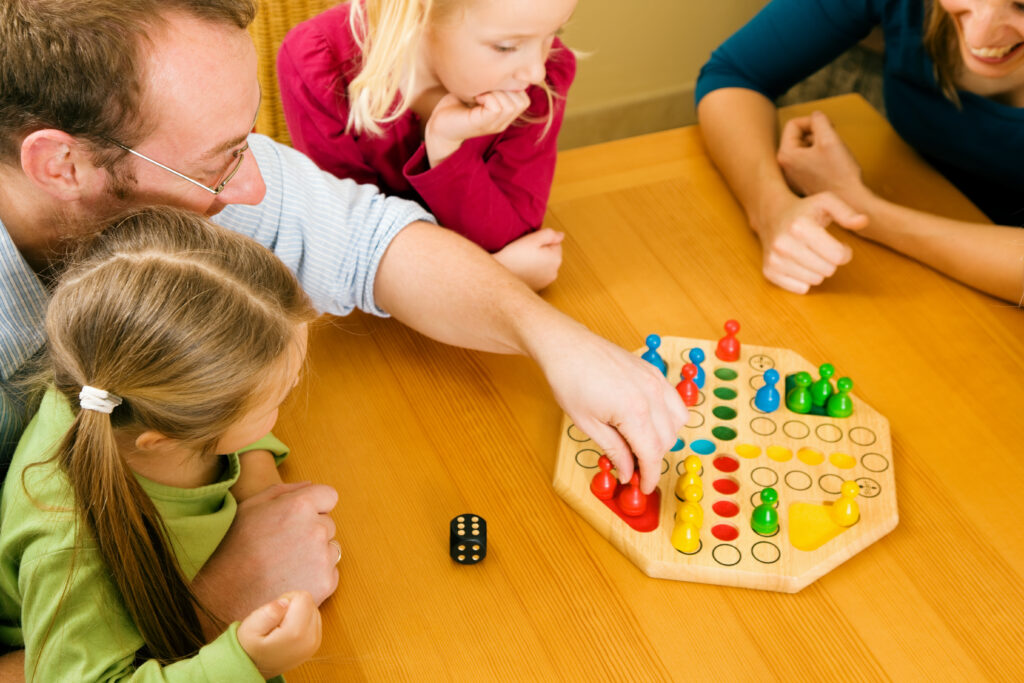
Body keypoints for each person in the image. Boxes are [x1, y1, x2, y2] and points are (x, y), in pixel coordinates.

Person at [0, 1, 686, 672]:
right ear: (61, 166)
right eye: (220, 160)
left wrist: (552, 338)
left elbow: (370, 242)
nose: (256, 185)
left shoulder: (170, 188)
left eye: (248, 139)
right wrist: (205, 607)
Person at [1, 208, 322, 681]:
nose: (292, 392)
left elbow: (229, 416)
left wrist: (257, 483)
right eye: (278, 397)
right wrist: (243, 661)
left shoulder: (113, 388)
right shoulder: (68, 552)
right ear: (170, 434)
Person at [696, 0, 1024, 304]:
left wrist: (864, 210)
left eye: (1021, 7)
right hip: (925, 208)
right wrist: (771, 210)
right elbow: (735, 74)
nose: (980, 32)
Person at [278, 0, 577, 291]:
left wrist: (446, 148)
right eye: (506, 47)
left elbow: (513, 238)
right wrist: (494, 275)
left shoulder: (541, 79)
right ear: (421, 10)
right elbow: (354, 255)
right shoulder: (320, 64)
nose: (536, 71)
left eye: (554, 33)